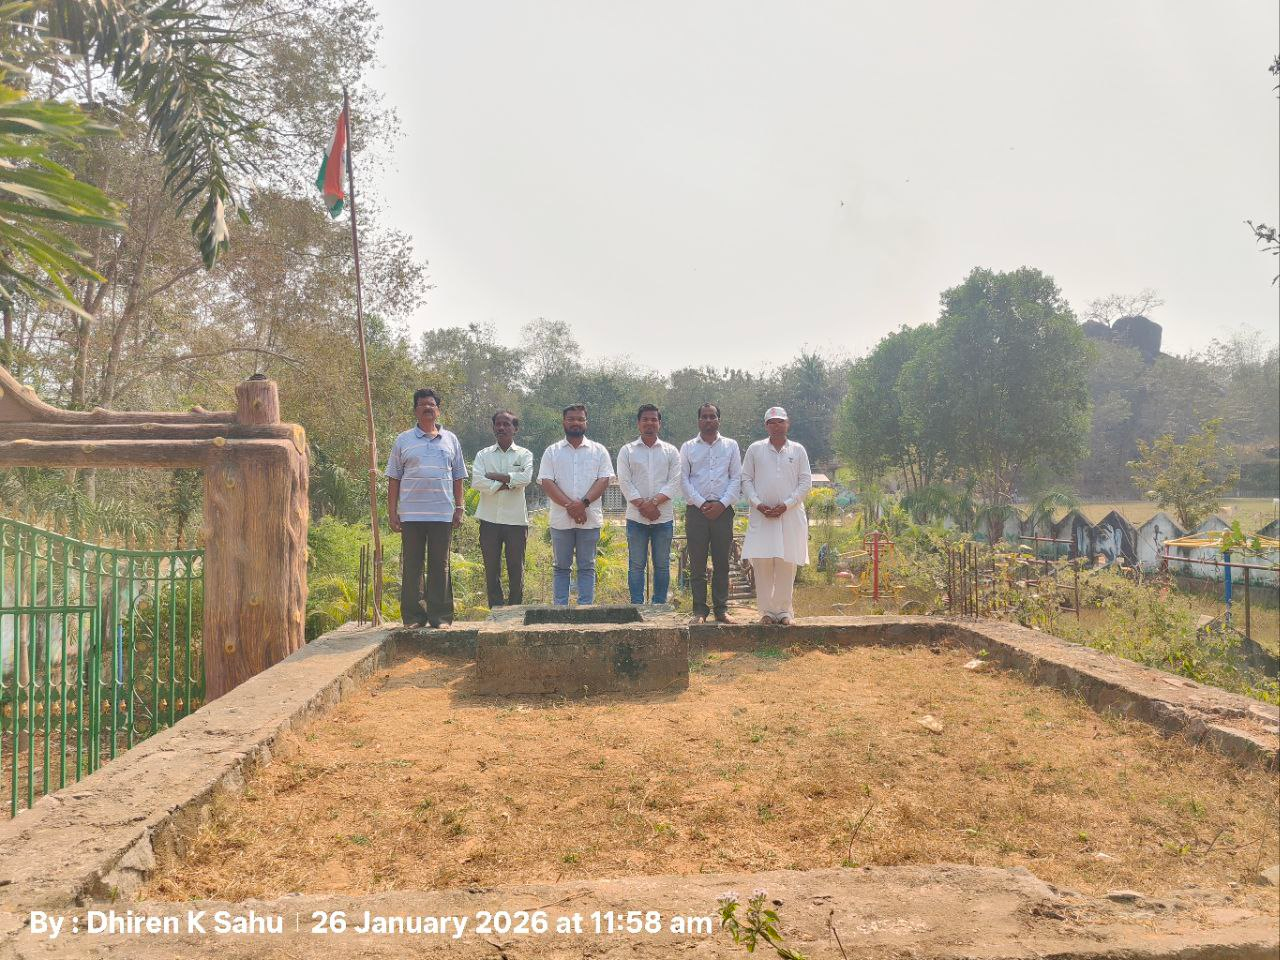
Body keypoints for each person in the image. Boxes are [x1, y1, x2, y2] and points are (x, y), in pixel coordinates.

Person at [386, 388, 467, 628]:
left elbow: (459, 476)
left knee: (440, 565)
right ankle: (413, 617)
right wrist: (392, 512)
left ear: (438, 410)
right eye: (422, 404)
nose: (427, 408)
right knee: (412, 565)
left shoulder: (451, 440)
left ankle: (440, 617)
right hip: (411, 514)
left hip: (442, 513)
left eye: (432, 404)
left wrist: (460, 507)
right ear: (415, 410)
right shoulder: (403, 440)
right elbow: (393, 478)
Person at [741, 406, 812, 625]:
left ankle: (783, 612)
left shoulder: (797, 450)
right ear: (766, 426)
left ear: (787, 423)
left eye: (780, 421)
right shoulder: (755, 449)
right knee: (762, 563)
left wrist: (787, 504)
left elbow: (805, 482)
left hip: (789, 517)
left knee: (786, 561)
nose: (776, 425)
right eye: (772, 422)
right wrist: (758, 504)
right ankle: (765, 612)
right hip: (762, 517)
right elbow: (746, 480)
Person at [538, 404, 614, 605]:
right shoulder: (552, 451)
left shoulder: (599, 451)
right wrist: (572, 507)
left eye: (580, 419)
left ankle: (585, 609)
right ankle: (560, 610)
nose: (575, 423)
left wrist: (583, 504)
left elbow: (604, 480)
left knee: (587, 566)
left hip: (589, 519)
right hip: (561, 520)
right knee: (561, 567)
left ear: (586, 423)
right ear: (564, 422)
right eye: (571, 419)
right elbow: (547, 482)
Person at [679, 403, 742, 624]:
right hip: (696, 512)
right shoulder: (688, 447)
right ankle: (699, 610)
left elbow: (736, 478)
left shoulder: (731, 446)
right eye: (704, 417)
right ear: (698, 421)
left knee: (722, 562)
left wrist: (722, 504)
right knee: (697, 563)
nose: (708, 420)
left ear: (718, 420)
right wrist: (701, 503)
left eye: (712, 416)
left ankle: (721, 609)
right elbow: (683, 479)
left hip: (723, 512)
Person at [617, 404, 681, 605]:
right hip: (636, 519)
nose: (649, 423)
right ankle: (637, 605)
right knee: (636, 565)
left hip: (663, 518)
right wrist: (643, 507)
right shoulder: (627, 451)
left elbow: (675, 481)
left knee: (662, 565)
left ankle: (659, 604)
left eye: (653, 419)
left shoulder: (671, 451)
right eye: (645, 419)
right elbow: (624, 482)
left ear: (659, 423)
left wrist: (653, 503)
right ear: (638, 423)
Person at [470, 410, 534, 607]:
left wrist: (494, 477)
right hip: (489, 521)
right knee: (491, 569)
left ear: (515, 429)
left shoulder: (524, 454)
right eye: (498, 424)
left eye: (506, 424)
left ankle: (515, 610)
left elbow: (526, 478)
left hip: (516, 521)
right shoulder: (483, 454)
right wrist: (508, 481)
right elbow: (477, 482)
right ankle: (495, 611)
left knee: (516, 568)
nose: (501, 428)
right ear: (493, 428)